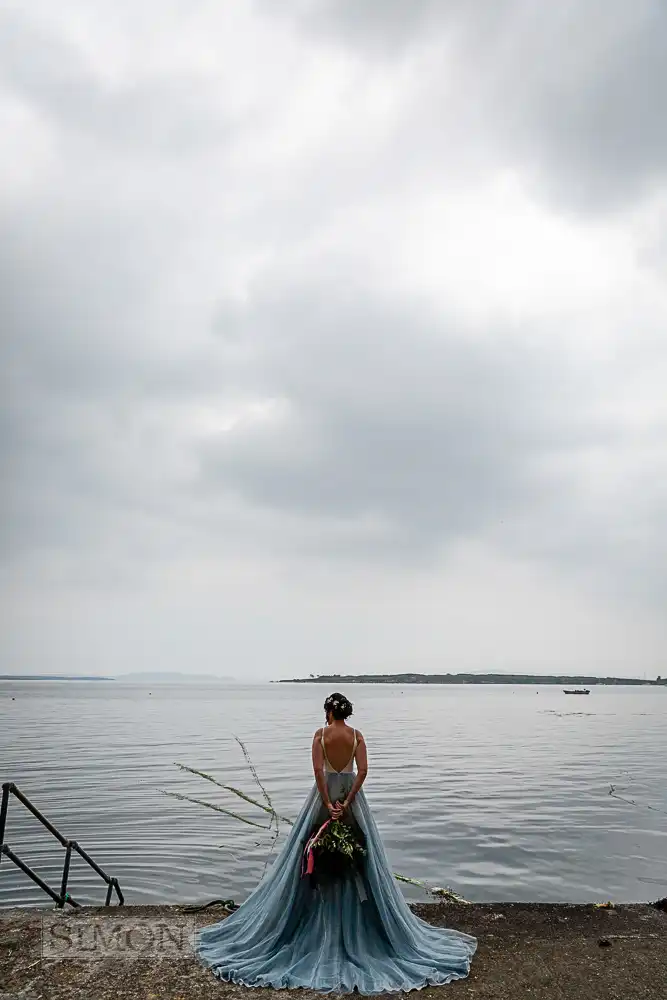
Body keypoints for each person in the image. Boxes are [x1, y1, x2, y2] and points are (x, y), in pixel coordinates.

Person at [197, 692, 476, 993]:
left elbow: (318, 771)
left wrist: (328, 803)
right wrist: (348, 802)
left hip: (324, 798)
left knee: (307, 851)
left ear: (329, 711)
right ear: (347, 712)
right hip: (352, 802)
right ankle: (365, 926)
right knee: (362, 857)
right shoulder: (357, 736)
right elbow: (364, 770)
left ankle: (310, 919)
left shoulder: (320, 735)